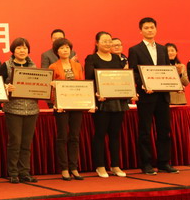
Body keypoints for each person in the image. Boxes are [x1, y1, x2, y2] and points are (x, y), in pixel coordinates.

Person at [128, 17, 178, 175]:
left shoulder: (163, 49)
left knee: (164, 130)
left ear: (156, 29)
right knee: (145, 131)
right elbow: (133, 72)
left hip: (162, 96)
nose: (149, 30)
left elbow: (166, 71)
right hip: (146, 96)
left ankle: (164, 162)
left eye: (152, 27)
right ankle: (146, 164)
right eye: (146, 28)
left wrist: (174, 84)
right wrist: (143, 85)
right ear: (140, 31)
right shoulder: (135, 50)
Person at [85, 32, 129, 178]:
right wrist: (97, 94)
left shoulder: (117, 58)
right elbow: (89, 80)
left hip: (117, 102)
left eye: (109, 41)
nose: (107, 43)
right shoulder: (91, 58)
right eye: (104, 41)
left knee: (115, 135)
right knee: (100, 134)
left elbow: (122, 79)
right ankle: (100, 166)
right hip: (102, 102)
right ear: (97, 43)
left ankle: (115, 165)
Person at [0, 37, 39, 183]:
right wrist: (6, 87)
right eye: (19, 48)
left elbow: (39, 86)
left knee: (26, 143)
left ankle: (24, 172)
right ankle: (13, 172)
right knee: (15, 142)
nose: (22, 51)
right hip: (13, 109)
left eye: (25, 48)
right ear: (13, 50)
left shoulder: (34, 67)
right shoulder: (6, 66)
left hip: (32, 110)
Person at [49, 37, 85, 181]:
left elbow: (82, 84)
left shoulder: (77, 66)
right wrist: (55, 102)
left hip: (76, 104)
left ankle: (74, 167)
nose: (65, 50)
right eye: (62, 48)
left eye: (67, 48)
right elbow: (50, 88)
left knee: (75, 137)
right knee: (62, 136)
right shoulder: (53, 67)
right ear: (57, 51)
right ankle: (64, 168)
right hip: (61, 106)